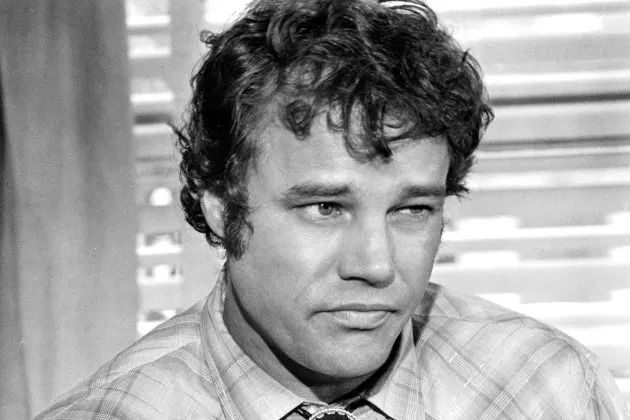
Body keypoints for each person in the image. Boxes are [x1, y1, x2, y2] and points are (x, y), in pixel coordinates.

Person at [36, 0, 629, 419]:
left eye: (412, 209)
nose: (376, 266)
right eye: (325, 207)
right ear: (221, 204)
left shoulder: (549, 387)